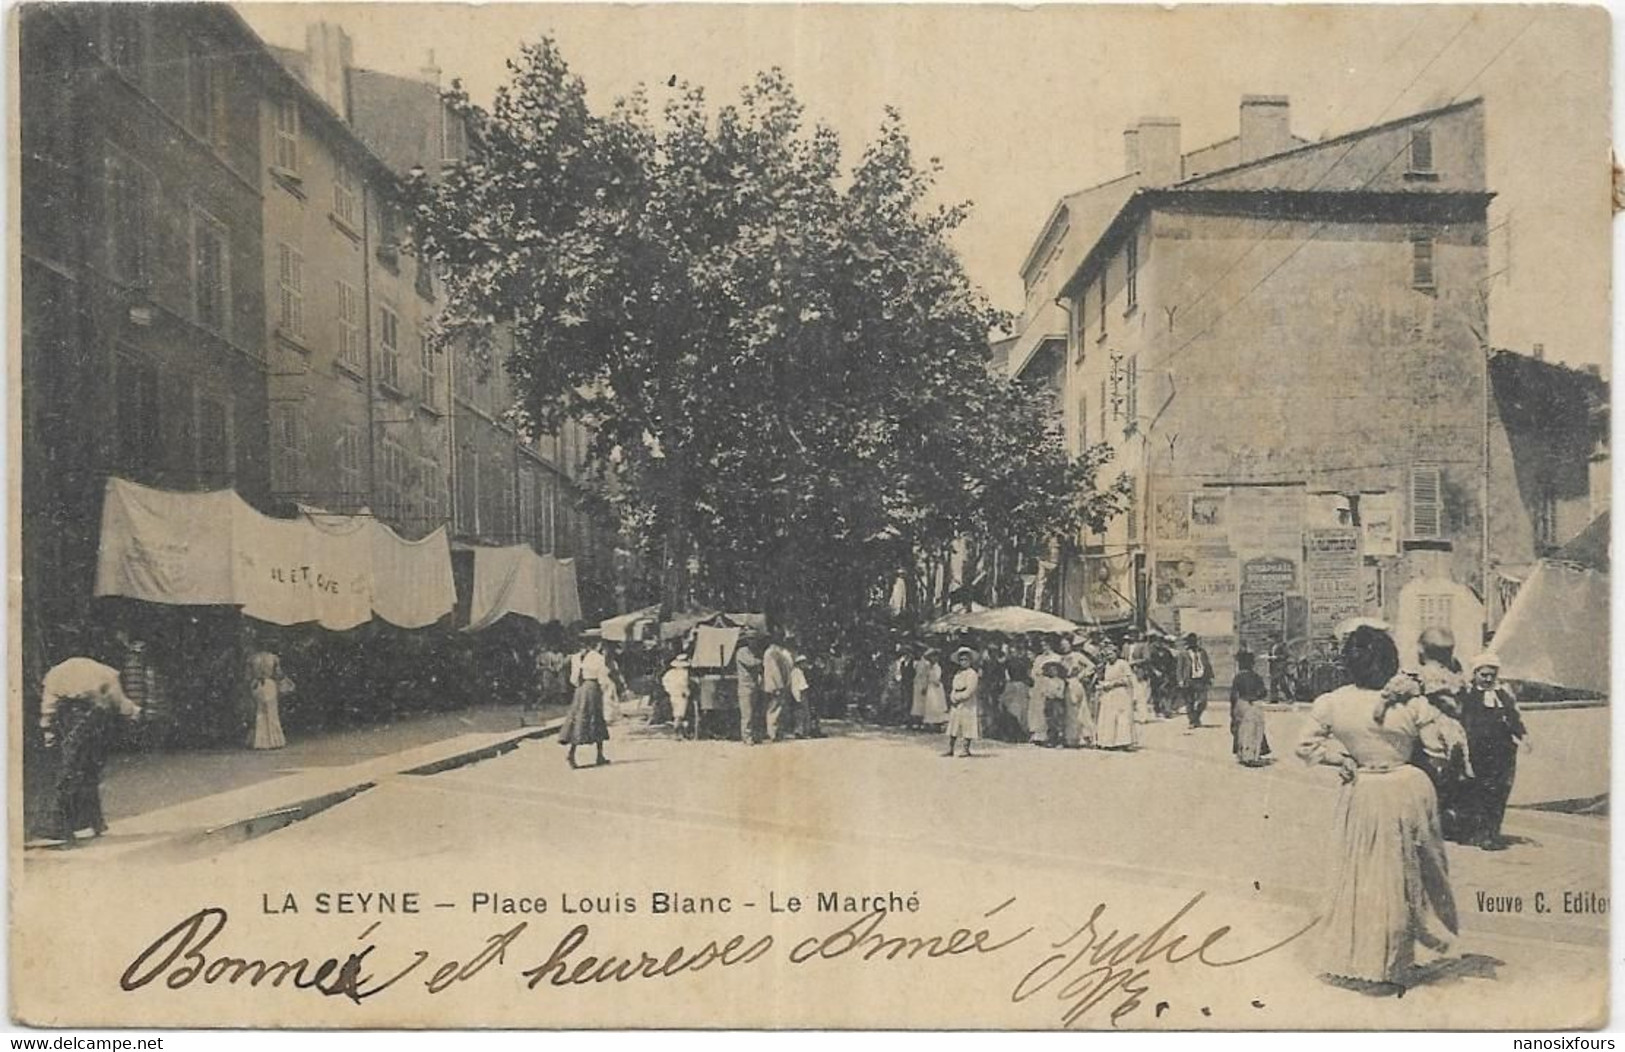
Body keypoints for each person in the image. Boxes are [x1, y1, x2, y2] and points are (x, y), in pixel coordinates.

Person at [1295, 625, 1458, 991]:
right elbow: (1438, 752)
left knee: (1364, 871)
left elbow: (1305, 745)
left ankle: (1363, 955)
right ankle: (1406, 953)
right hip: (1407, 788)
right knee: (1410, 870)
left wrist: (1341, 759)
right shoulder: (1412, 703)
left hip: (1364, 788)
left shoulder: (1333, 702)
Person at [40, 657, 142, 846]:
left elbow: (49, 707)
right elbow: (118, 701)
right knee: (89, 773)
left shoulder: (55, 674)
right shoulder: (105, 673)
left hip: (69, 725)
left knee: (70, 773)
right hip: (95, 724)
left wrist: (49, 733)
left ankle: (66, 826)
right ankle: (92, 823)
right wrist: (134, 712)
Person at [1457, 652, 1528, 850]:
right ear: (1476, 673)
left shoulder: (1503, 696)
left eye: (1491, 675)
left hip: (1502, 753)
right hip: (1477, 752)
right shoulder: (1468, 696)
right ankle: (1479, 834)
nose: (1488, 678)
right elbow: (1462, 722)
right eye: (1484, 674)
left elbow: (1514, 718)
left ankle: (1492, 832)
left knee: (1499, 792)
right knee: (1479, 793)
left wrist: (1523, 736)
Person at [1410, 626, 1474, 843]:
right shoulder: (1456, 674)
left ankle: (1432, 820)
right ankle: (1451, 819)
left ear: (1422, 651)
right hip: (1455, 730)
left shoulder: (1426, 674)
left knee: (1429, 773)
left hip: (1432, 729)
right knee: (1453, 775)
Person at [560, 636, 612, 768]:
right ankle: (599, 755)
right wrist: (604, 689)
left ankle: (572, 753)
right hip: (593, 688)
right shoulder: (598, 657)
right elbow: (602, 677)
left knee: (579, 718)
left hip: (580, 689)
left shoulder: (576, 657)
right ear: (596, 644)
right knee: (597, 718)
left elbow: (573, 679)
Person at [244, 641, 290, 750]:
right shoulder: (274, 658)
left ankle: (260, 742)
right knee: (272, 712)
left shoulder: (252, 658)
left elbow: (247, 676)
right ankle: (275, 741)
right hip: (269, 684)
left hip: (256, 685)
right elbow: (278, 674)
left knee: (259, 712)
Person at [1230, 650, 1271, 766]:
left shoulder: (1237, 678)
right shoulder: (1256, 676)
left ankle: (1243, 755)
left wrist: (1232, 712)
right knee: (1255, 730)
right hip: (1254, 704)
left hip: (1242, 703)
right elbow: (1263, 692)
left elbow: (1233, 695)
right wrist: (1256, 696)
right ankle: (1254, 755)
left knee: (1242, 730)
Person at [1094, 643, 1137, 749]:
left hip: (1120, 693)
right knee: (1108, 717)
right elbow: (1104, 678)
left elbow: (1128, 679)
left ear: (1116, 653)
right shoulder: (1107, 665)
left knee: (1122, 717)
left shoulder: (1122, 663)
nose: (1109, 656)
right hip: (1109, 694)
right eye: (1107, 655)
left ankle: (1124, 742)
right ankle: (1108, 742)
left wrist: (1114, 683)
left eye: (1111, 654)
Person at [944, 647, 980, 758]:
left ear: (970, 661)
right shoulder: (958, 673)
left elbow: (970, 690)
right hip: (956, 700)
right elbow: (954, 687)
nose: (963, 662)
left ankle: (965, 748)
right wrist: (953, 697)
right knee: (954, 725)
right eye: (961, 660)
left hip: (967, 702)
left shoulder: (972, 674)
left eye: (965, 659)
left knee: (967, 724)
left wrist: (960, 697)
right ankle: (950, 748)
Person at [1177, 633, 1215, 730]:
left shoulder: (1202, 652)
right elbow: (1179, 668)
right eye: (1190, 641)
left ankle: (1196, 717)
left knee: (1203, 701)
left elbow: (1207, 665)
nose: (1192, 643)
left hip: (1201, 679)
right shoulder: (1183, 653)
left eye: (1194, 640)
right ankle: (1192, 721)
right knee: (1189, 701)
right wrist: (1180, 679)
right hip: (1189, 679)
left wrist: (1210, 677)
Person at [762, 634, 796, 741]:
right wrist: (779, 685)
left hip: (778, 684)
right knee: (774, 709)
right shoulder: (771, 653)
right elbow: (774, 671)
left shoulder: (776, 652)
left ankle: (777, 732)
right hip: (774, 685)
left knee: (778, 708)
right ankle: (772, 733)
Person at [1027, 637, 1061, 743]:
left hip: (1050, 684)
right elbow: (1033, 672)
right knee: (1036, 709)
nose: (1045, 647)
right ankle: (1037, 734)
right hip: (1039, 684)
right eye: (1043, 645)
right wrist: (1036, 675)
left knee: (1047, 709)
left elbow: (1059, 670)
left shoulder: (1056, 657)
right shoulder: (1039, 658)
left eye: (1046, 644)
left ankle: (1048, 734)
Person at [999, 641, 1034, 742]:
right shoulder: (1007, 661)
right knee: (1011, 710)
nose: (1014, 652)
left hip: (1022, 686)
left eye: (1016, 650)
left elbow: (1029, 674)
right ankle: (1012, 734)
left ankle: (1022, 734)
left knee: (1022, 711)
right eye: (1012, 650)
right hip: (1012, 685)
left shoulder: (1026, 661)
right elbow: (1005, 673)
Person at [736, 638, 764, 745]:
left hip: (754, 685)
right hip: (745, 686)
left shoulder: (754, 652)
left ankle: (755, 735)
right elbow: (751, 663)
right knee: (747, 714)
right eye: (752, 640)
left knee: (755, 712)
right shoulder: (742, 652)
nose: (754, 642)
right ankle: (747, 737)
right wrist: (762, 660)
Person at [1062, 660, 1096, 748]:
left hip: (1076, 684)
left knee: (1082, 712)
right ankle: (1072, 738)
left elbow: (1091, 666)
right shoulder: (1060, 658)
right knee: (1071, 714)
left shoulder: (1078, 656)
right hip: (1067, 684)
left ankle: (1084, 737)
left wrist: (1082, 674)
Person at [662, 654, 694, 741]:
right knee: (680, 714)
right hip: (681, 695)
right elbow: (684, 684)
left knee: (677, 713)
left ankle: (679, 733)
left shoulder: (670, 673)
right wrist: (686, 692)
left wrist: (669, 690)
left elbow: (665, 682)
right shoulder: (684, 673)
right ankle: (678, 734)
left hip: (673, 695)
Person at [791, 654, 820, 739]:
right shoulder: (796, 672)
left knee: (805, 713)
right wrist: (797, 697)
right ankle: (799, 731)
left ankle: (805, 731)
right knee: (800, 713)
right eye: (803, 663)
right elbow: (795, 686)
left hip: (803, 692)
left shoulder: (801, 672)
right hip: (799, 693)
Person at [919, 648, 949, 730]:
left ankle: (938, 724)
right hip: (930, 687)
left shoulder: (937, 667)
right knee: (930, 705)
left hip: (936, 688)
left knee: (936, 705)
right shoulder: (929, 667)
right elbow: (925, 677)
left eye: (935, 657)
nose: (933, 659)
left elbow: (936, 679)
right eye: (931, 657)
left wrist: (931, 678)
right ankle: (931, 723)